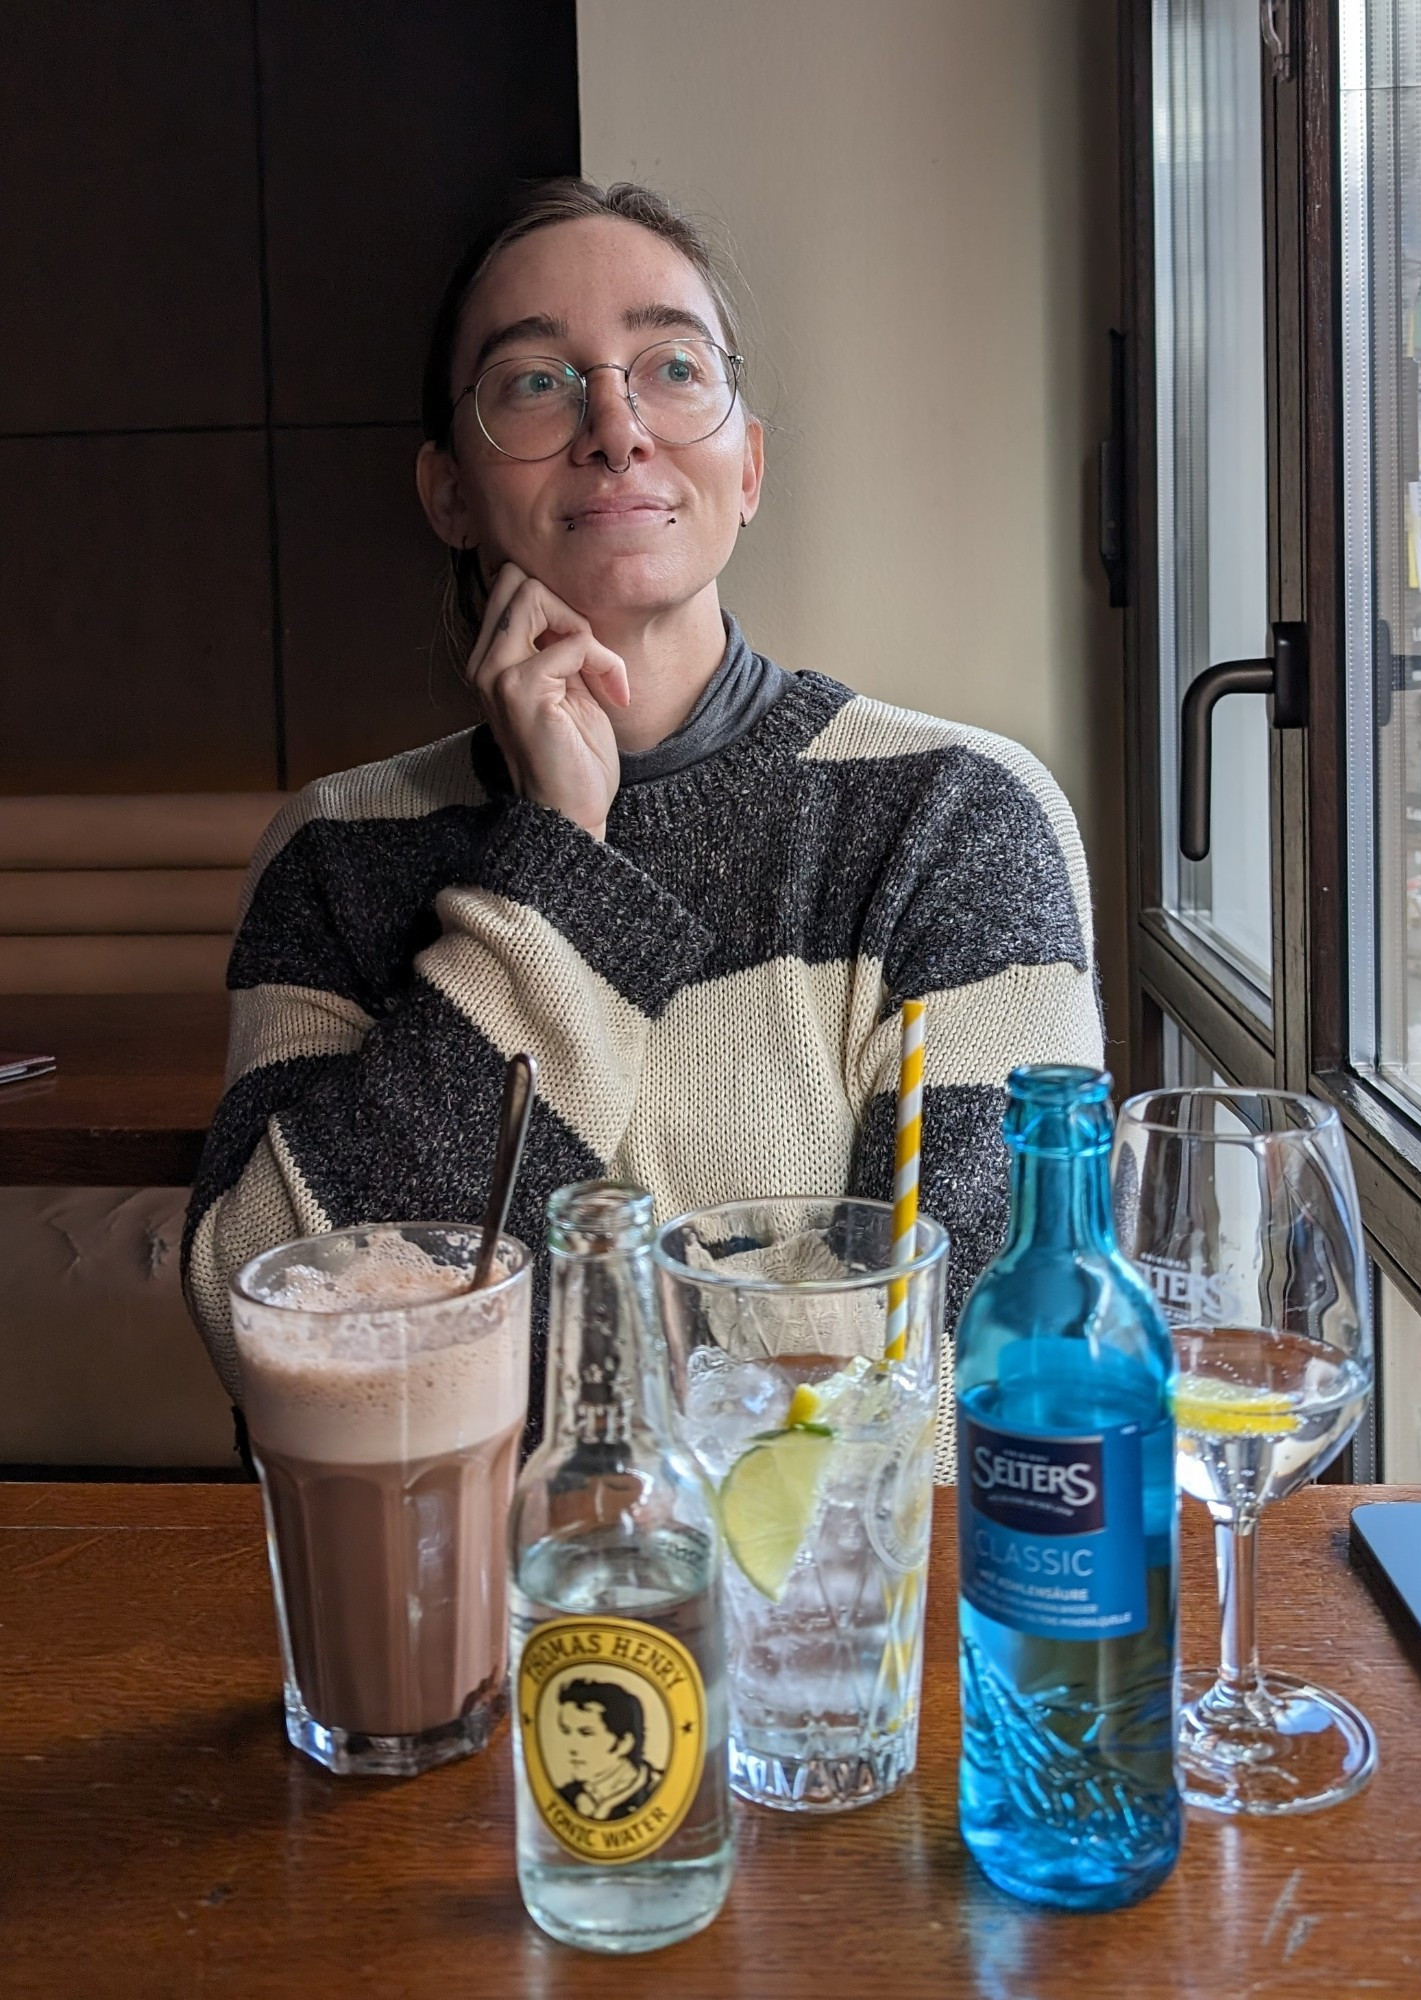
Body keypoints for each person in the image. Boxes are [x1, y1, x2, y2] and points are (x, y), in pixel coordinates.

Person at [183, 178, 1102, 1476]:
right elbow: (257, 1321)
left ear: (749, 465)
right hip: (440, 1642)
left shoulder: (951, 815)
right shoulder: (336, 849)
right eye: (537, 382)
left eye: (673, 366)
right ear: (447, 492)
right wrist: (557, 866)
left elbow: (980, 1381)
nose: (616, 425)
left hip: (812, 1653)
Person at [553, 1677, 664, 1823]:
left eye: (586, 1733)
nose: (571, 1747)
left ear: (623, 1743)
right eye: (566, 1731)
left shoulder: (659, 1791)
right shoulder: (565, 1796)